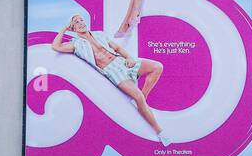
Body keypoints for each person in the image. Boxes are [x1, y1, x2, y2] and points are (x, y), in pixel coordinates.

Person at [52, 15, 170, 144]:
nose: (81, 23)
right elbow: (56, 47)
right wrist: (64, 29)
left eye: (81, 20)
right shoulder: (75, 44)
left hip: (122, 61)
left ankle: (143, 102)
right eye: (76, 22)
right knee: (138, 97)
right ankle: (160, 132)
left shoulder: (99, 34)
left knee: (157, 67)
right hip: (112, 71)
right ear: (73, 28)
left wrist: (129, 58)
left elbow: (117, 48)